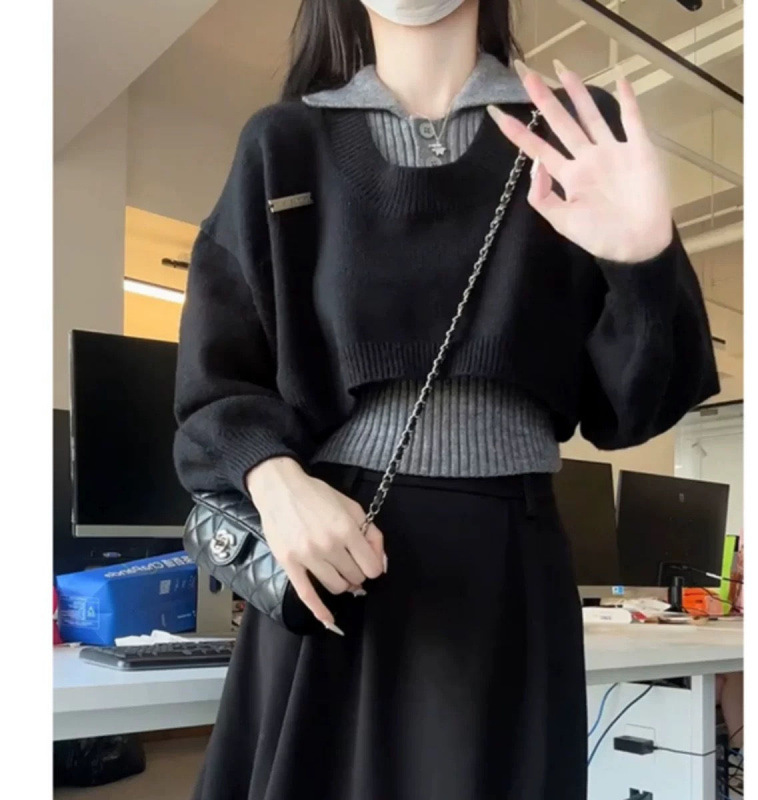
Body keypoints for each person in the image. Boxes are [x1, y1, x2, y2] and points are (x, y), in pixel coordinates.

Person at [173, 1, 719, 798]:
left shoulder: (574, 134)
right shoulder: (284, 144)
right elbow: (213, 384)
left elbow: (634, 407)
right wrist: (275, 481)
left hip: (509, 566)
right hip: (332, 555)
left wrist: (644, 262)